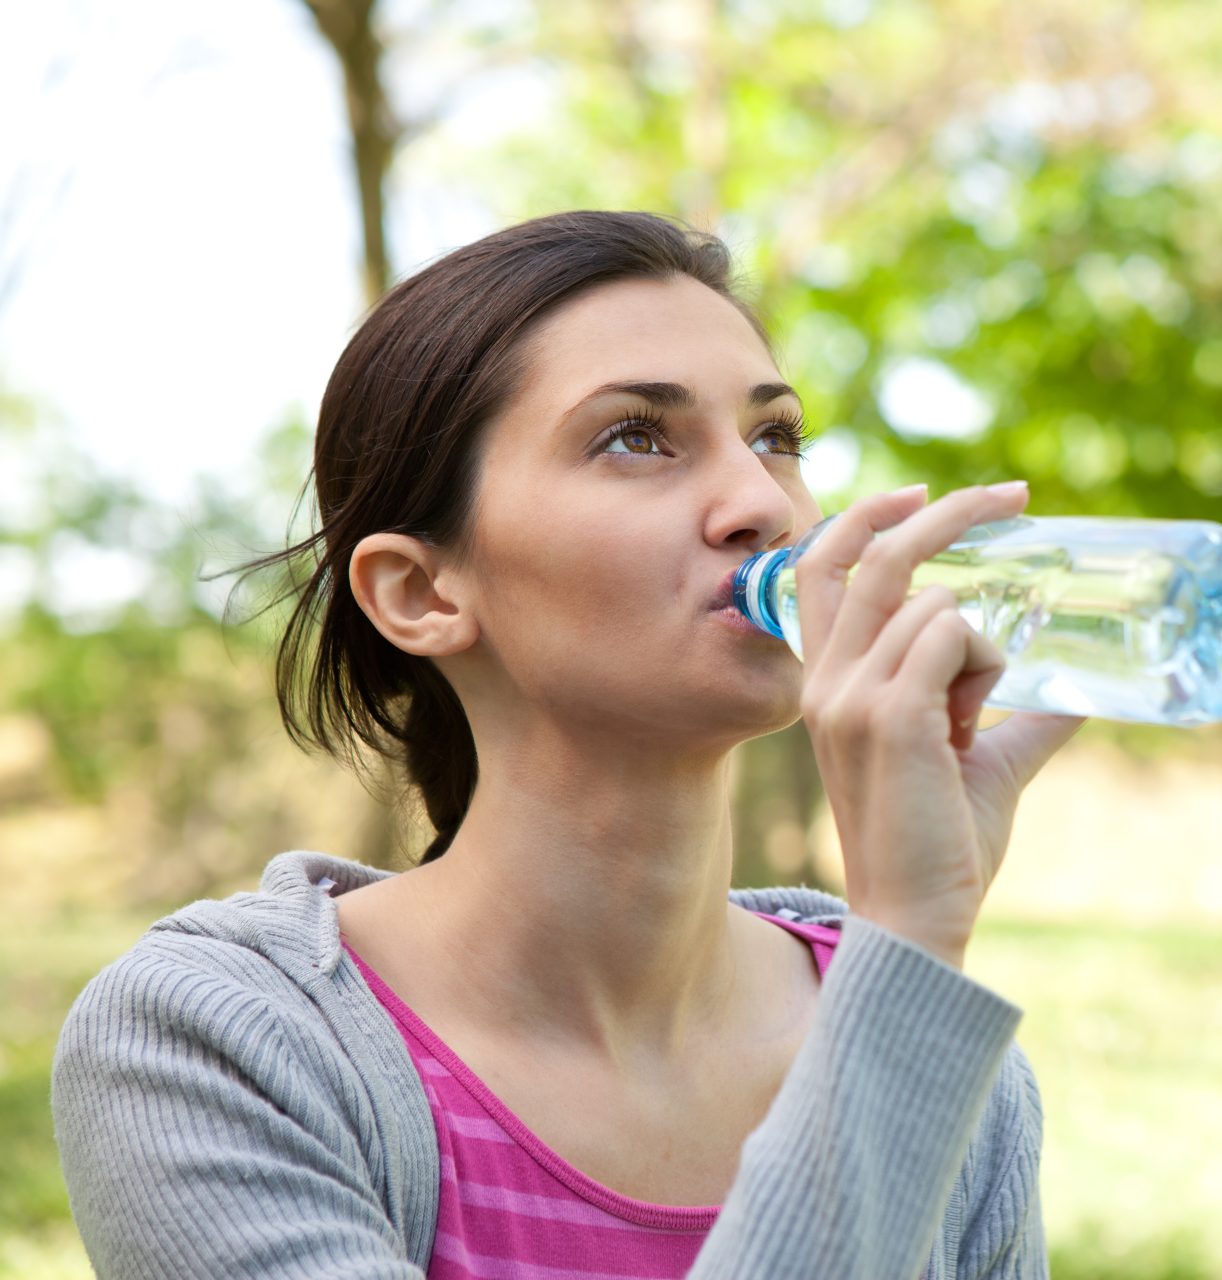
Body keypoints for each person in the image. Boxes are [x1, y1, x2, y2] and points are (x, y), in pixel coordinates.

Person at [50, 210, 1085, 1279]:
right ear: (422, 591)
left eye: (775, 437)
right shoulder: (222, 1044)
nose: (763, 505)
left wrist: (904, 984)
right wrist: (907, 958)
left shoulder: (944, 1060)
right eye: (637, 436)